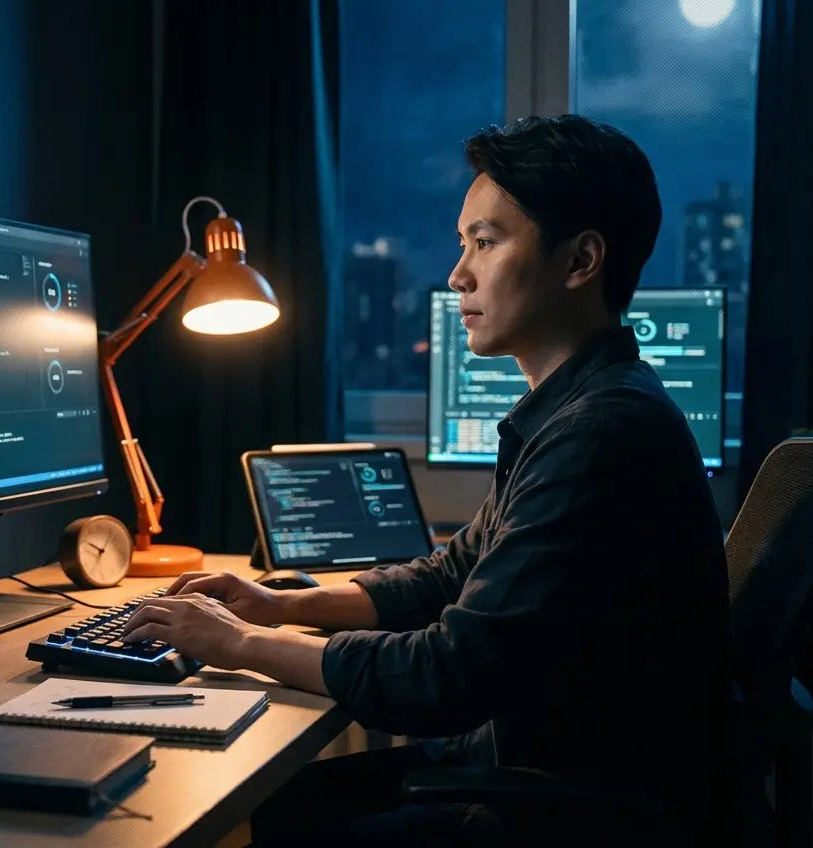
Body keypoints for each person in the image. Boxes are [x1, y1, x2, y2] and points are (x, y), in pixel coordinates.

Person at [121, 115, 734, 845]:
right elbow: (449, 577)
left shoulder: (599, 433)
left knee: (256, 816)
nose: (457, 275)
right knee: (279, 802)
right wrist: (273, 606)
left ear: (581, 261)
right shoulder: (576, 408)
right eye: (461, 242)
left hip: (562, 806)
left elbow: (451, 674)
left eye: (486, 241)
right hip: (536, 768)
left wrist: (239, 644)